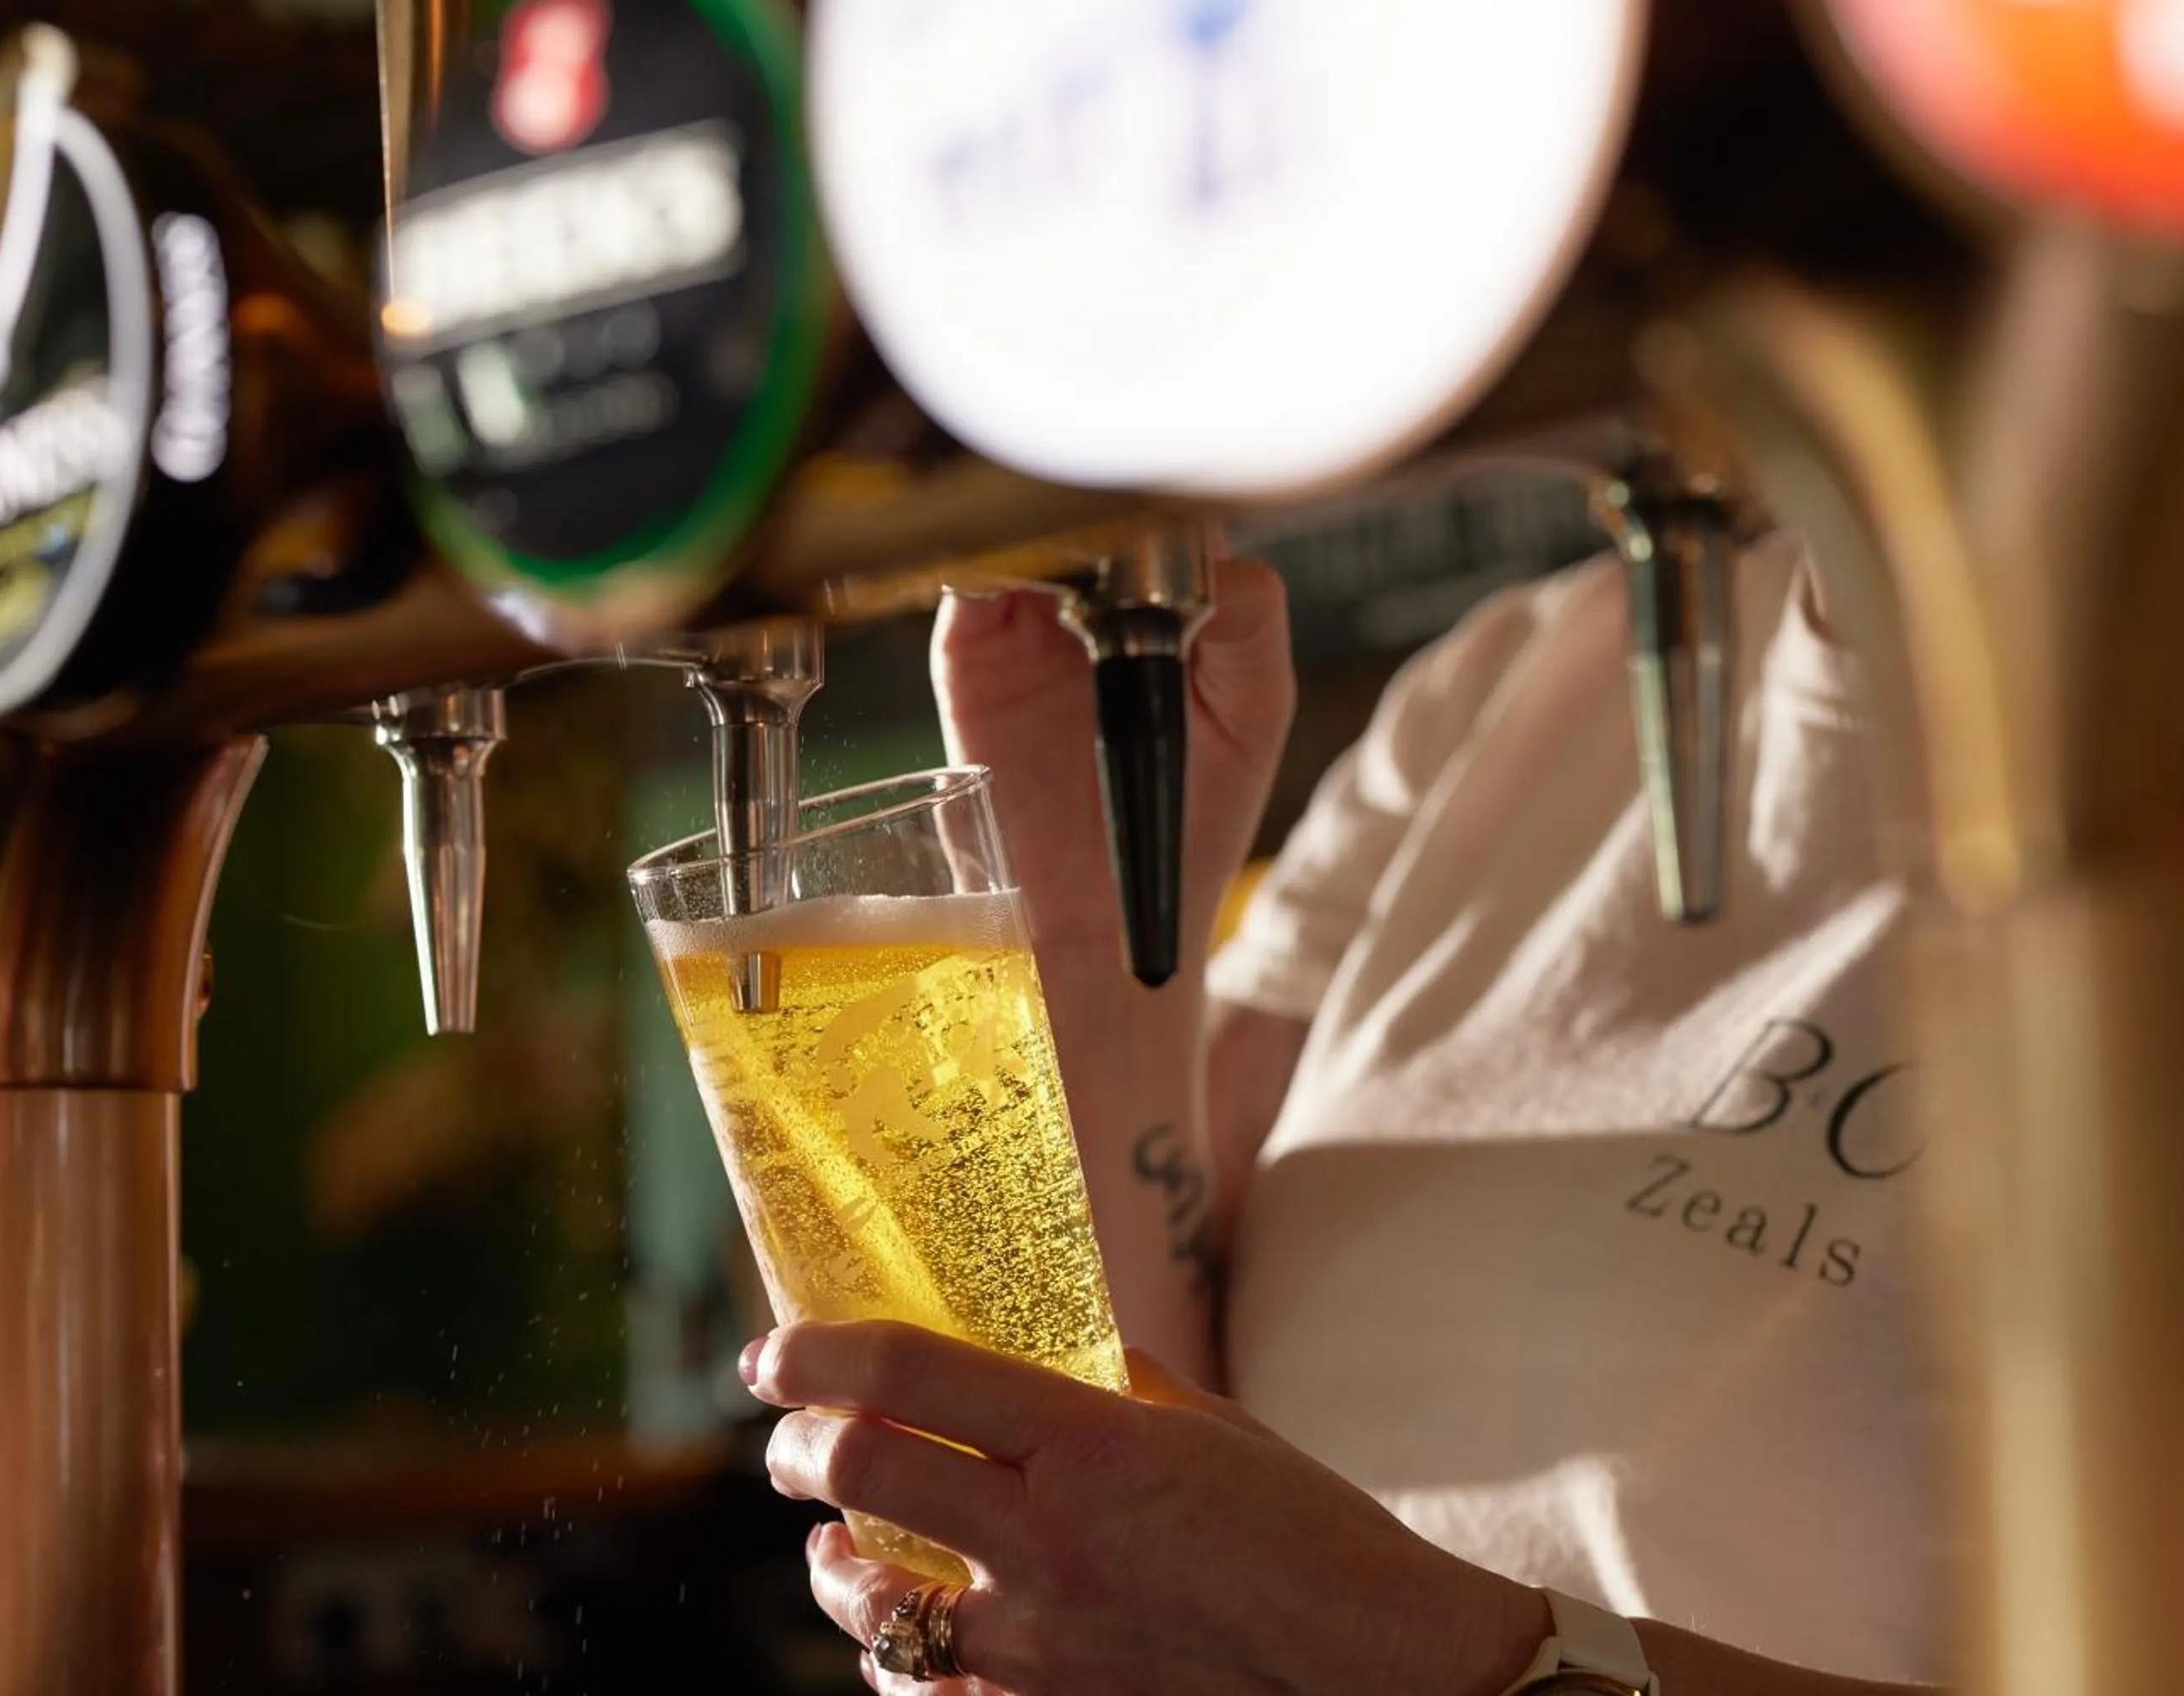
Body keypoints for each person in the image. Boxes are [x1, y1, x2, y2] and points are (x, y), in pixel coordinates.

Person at [739, 536, 1946, 1694]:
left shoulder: (2121, 822)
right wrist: (1092, 943)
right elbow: (1158, 1415)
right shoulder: (1515, 677)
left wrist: (1395, 1649)